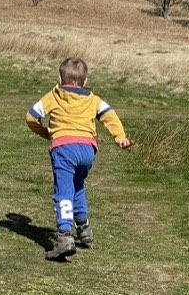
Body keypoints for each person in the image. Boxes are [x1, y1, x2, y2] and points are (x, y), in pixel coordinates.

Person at [25, 57, 134, 260]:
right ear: (85, 82)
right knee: (78, 186)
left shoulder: (54, 95)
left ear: (59, 79)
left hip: (64, 148)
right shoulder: (93, 99)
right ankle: (84, 229)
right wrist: (120, 138)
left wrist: (44, 132)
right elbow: (109, 115)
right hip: (87, 149)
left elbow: (31, 116)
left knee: (64, 191)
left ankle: (64, 236)